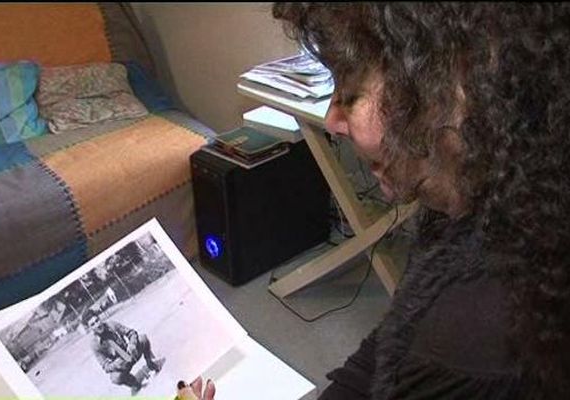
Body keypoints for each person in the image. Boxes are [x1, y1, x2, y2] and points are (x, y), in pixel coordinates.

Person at [176, 3, 570, 399]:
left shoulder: (473, 330)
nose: (332, 119)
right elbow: (392, 343)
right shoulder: (485, 196)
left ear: (446, 88)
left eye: (348, 92)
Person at [82, 309, 164, 396]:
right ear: (90, 328)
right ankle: (134, 383)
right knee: (115, 378)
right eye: (93, 324)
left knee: (143, 338)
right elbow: (105, 366)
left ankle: (150, 363)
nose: (97, 324)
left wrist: (132, 344)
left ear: (99, 318)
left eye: (97, 320)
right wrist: (116, 364)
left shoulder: (112, 324)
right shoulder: (94, 345)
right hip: (122, 364)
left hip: (131, 352)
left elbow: (131, 332)